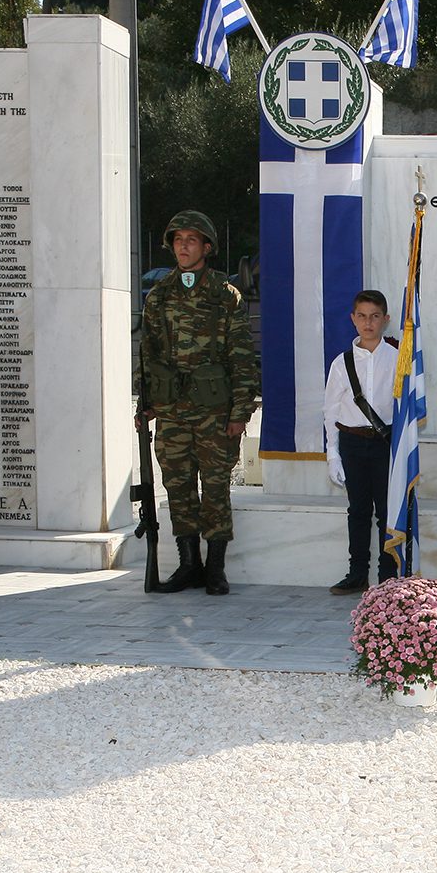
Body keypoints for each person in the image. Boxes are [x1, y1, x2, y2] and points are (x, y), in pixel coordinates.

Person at [137, 210, 259, 596]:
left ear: (207, 246)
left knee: (216, 486)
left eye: (191, 240)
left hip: (214, 411)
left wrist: (240, 412)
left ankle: (216, 567)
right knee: (178, 487)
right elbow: (148, 352)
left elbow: (241, 356)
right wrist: (146, 403)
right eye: (178, 240)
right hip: (172, 409)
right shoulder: (159, 295)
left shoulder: (225, 295)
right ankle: (189, 563)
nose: (183, 246)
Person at [323, 290, 400, 595]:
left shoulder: (398, 358)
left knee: (386, 510)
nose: (368, 322)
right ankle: (357, 573)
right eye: (362, 316)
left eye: (375, 316)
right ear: (353, 319)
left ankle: (388, 575)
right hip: (352, 443)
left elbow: (403, 407)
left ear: (386, 319)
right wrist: (332, 455)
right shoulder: (341, 364)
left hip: (384, 444)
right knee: (358, 511)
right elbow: (330, 411)